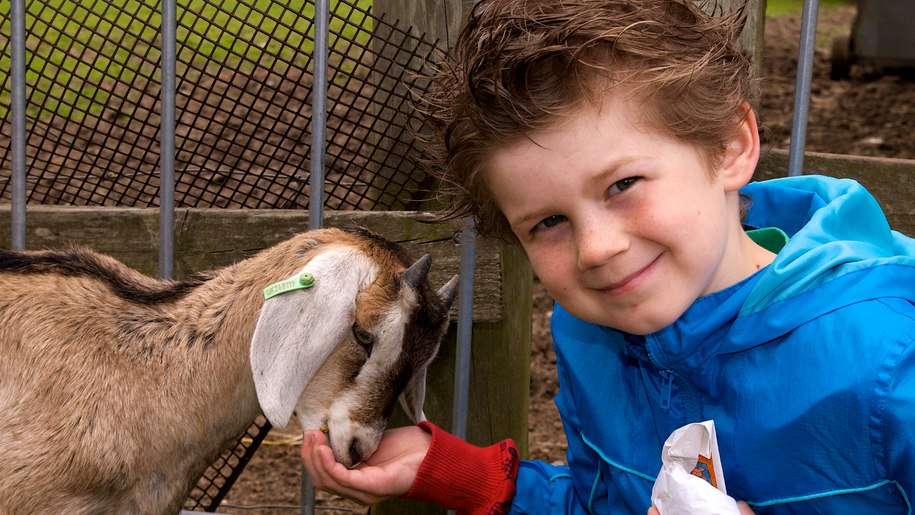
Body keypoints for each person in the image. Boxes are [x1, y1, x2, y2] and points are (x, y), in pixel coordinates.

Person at [300, 0, 915, 512]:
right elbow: (609, 503)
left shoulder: (889, 367)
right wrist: (470, 475)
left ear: (729, 146)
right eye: (548, 222)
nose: (596, 249)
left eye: (622, 186)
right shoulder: (590, 334)